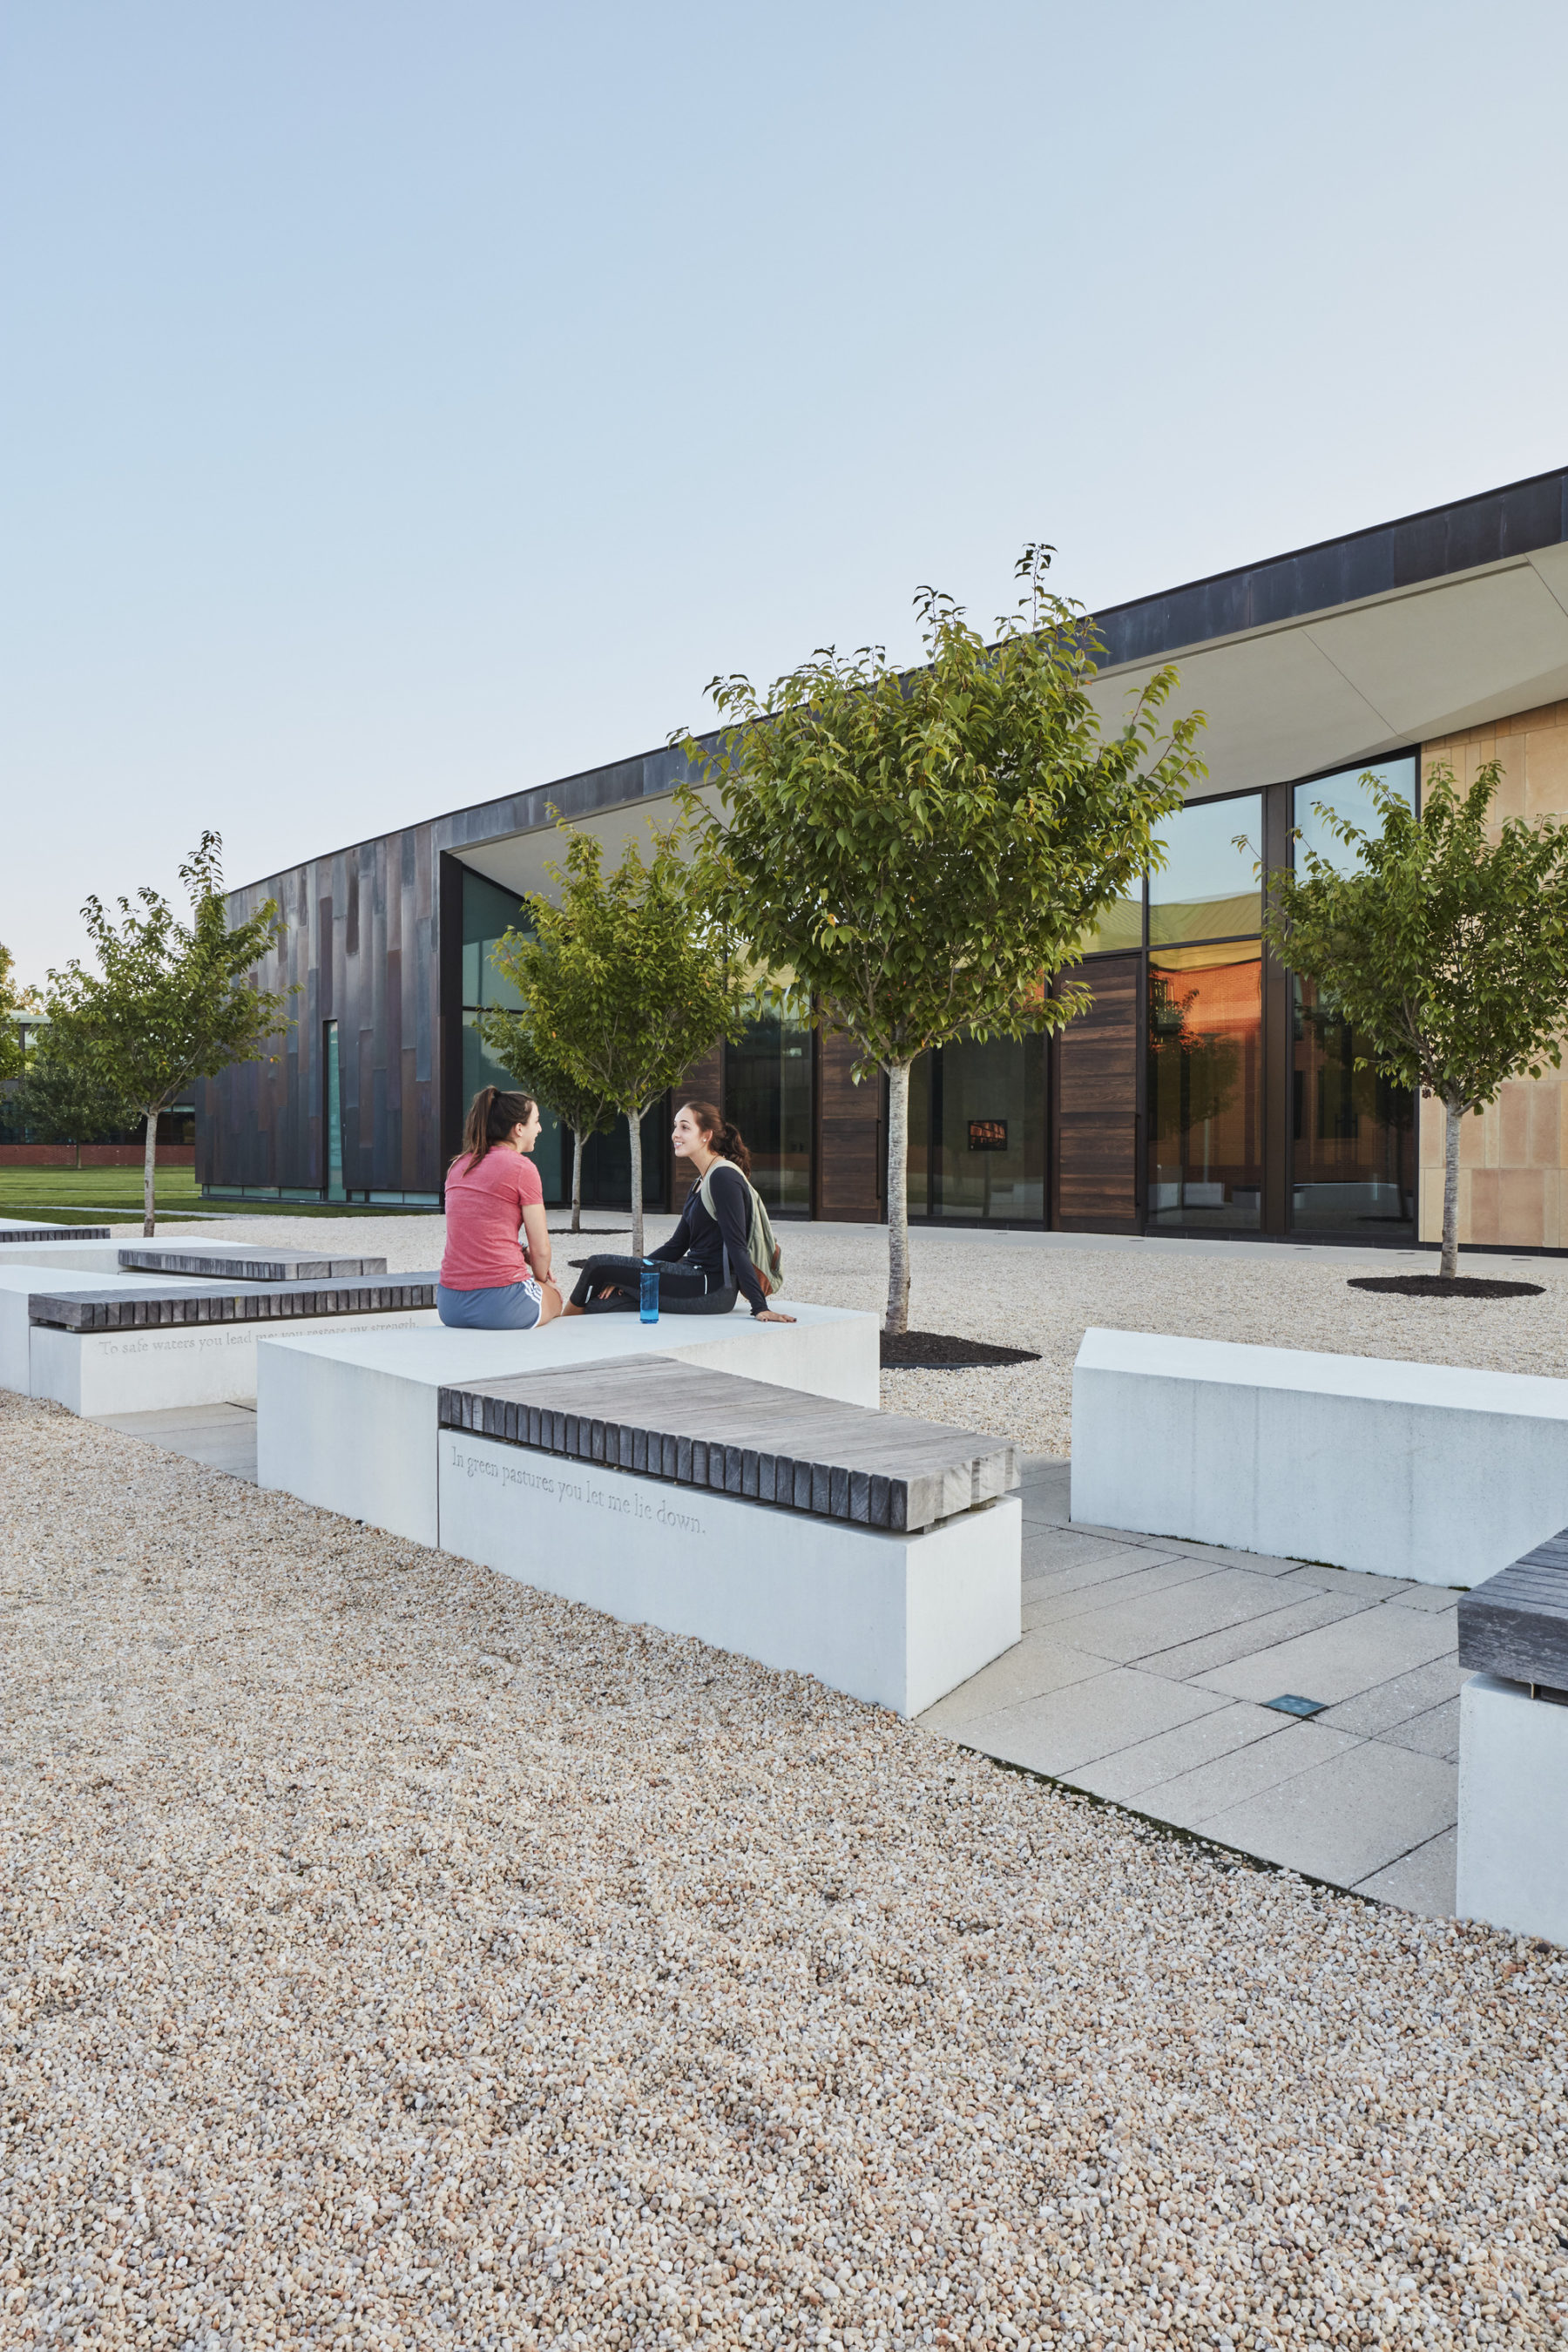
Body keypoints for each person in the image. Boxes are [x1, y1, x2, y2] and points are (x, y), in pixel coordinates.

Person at [564, 1100, 796, 1322]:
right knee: (600, 1304)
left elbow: (737, 1246)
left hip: (709, 1288)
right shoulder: (700, 1182)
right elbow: (676, 1245)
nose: (676, 1133)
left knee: (598, 1265)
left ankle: (560, 1325)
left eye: (685, 1127)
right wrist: (625, 1275)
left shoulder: (724, 1177)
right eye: (675, 1126)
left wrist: (760, 1307)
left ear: (706, 1135)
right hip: (689, 1278)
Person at [436, 1086, 564, 1330]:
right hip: (502, 1305)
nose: (539, 1129)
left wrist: (519, 1250)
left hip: (450, 1305)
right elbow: (541, 1250)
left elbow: (475, 1229)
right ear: (518, 1129)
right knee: (556, 1297)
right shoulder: (522, 1168)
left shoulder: (457, 1166)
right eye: (536, 1122)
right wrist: (542, 1282)